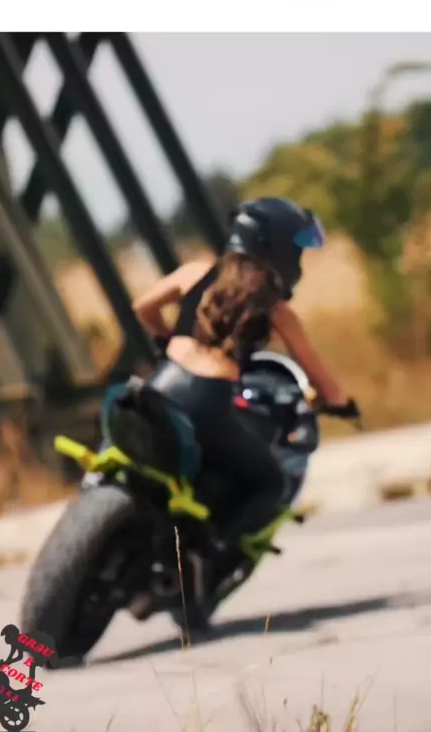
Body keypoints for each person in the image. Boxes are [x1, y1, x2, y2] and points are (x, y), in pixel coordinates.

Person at [133, 197, 358, 583]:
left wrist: (165, 338)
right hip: (207, 402)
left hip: (161, 384)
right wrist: (341, 404)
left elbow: (142, 307)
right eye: (296, 250)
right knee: (269, 482)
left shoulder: (196, 272)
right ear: (278, 249)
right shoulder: (276, 310)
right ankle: (209, 553)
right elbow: (320, 377)